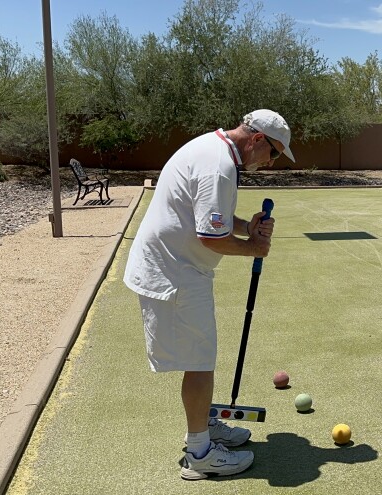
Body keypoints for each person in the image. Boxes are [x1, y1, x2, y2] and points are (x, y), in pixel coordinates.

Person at [123, 109, 294, 480]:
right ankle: (200, 453)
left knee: (203, 356)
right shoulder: (219, 166)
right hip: (175, 272)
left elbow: (208, 216)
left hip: (178, 267)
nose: (270, 163)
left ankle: (204, 425)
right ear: (258, 139)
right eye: (274, 153)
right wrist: (254, 249)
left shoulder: (213, 149)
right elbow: (210, 237)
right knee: (200, 360)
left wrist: (245, 226)